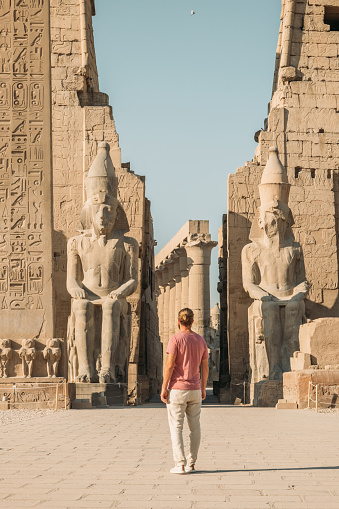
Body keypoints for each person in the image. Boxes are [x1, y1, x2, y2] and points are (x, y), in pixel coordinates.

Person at [161, 308, 209, 474]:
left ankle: (180, 464)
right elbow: (205, 367)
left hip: (177, 389)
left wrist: (164, 387)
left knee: (177, 427)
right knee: (195, 427)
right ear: (192, 321)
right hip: (195, 388)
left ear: (178, 321)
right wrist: (203, 388)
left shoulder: (175, 339)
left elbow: (169, 365)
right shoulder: (200, 340)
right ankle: (192, 463)